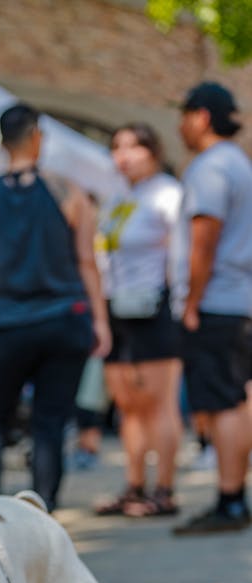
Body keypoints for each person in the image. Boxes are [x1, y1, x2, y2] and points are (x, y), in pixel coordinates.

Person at [0, 103, 110, 511]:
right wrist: (100, 320)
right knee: (50, 423)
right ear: (37, 136)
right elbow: (86, 262)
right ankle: (42, 515)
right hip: (65, 320)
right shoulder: (68, 192)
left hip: (6, 324)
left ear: (2, 142)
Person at [172, 82, 252, 535]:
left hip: (216, 302)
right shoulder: (239, 163)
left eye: (184, 115)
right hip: (237, 299)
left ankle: (230, 500)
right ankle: (234, 495)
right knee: (237, 401)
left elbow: (205, 237)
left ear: (201, 116)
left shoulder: (211, 166)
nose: (181, 125)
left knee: (222, 405)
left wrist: (192, 302)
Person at [95, 124, 183, 517]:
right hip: (117, 307)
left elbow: (181, 254)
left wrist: (179, 304)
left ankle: (164, 489)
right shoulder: (117, 199)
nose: (124, 155)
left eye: (134, 146)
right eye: (117, 147)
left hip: (155, 306)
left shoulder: (168, 193)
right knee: (128, 403)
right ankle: (134, 486)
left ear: (153, 151)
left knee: (158, 402)